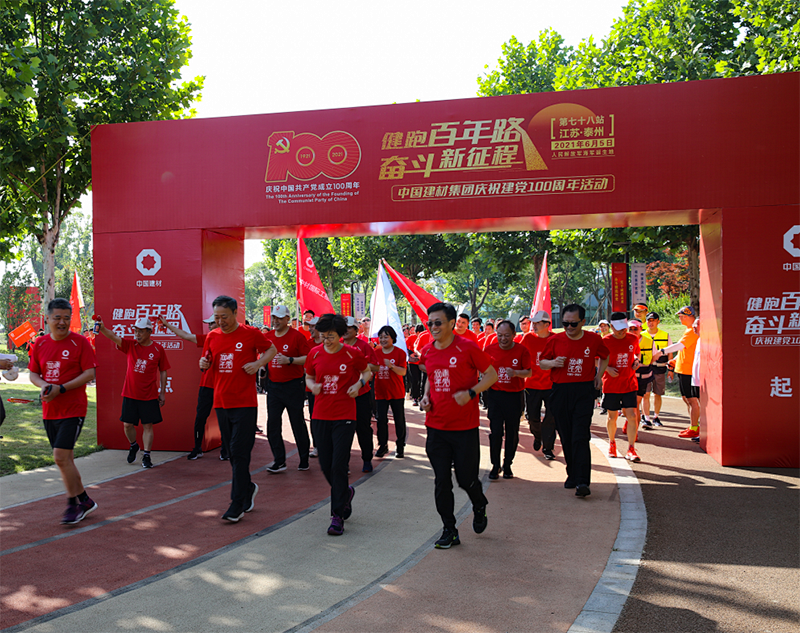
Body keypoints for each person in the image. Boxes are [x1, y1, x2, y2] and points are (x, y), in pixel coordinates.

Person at [419, 302, 498, 549]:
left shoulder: (468, 347)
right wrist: (425, 397)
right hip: (436, 426)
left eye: (438, 322)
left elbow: (491, 375)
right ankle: (449, 529)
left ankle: (479, 503)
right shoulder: (428, 350)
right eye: (430, 323)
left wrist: (472, 393)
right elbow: (431, 377)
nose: (433, 327)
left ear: (452, 323)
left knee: (466, 479)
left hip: (464, 428)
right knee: (442, 481)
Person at [200, 295, 276, 522]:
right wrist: (203, 364)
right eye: (216, 317)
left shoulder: (251, 333)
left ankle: (237, 503)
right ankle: (248, 487)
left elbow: (271, 350)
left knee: (239, 451)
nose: (220, 321)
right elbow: (206, 360)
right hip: (221, 402)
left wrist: (258, 364)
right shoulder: (212, 336)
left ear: (235, 313)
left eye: (224, 316)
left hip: (244, 403)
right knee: (232, 453)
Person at [28, 298, 97, 525]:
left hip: (73, 409)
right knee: (66, 459)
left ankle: (72, 505)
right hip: (50, 410)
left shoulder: (80, 342)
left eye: (66, 318)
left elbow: (89, 373)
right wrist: (44, 385)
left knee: (59, 457)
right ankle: (85, 500)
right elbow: (34, 374)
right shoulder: (40, 343)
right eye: (57, 318)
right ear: (47, 319)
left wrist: (62, 388)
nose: (62, 322)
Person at [305, 313, 372, 535]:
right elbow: (308, 376)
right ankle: (346, 492)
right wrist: (313, 386)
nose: (327, 340)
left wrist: (358, 385)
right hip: (320, 415)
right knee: (325, 465)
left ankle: (336, 516)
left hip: (345, 415)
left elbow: (366, 372)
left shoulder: (352, 353)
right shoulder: (315, 353)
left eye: (331, 336)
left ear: (340, 335)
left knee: (338, 465)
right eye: (323, 336)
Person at [540, 304, 609, 498]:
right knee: (566, 435)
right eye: (565, 324)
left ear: (583, 322)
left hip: (583, 391)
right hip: (560, 391)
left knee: (580, 435)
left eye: (573, 324)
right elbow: (542, 363)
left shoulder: (593, 339)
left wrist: (599, 376)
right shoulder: (555, 340)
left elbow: (605, 356)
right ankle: (572, 473)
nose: (569, 327)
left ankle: (582, 481)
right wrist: (553, 363)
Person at [96, 315, 170, 469]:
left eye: (141, 331)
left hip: (149, 395)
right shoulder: (130, 345)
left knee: (148, 426)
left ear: (149, 331)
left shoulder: (158, 349)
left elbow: (163, 371)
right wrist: (102, 328)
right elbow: (113, 336)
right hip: (130, 393)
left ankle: (147, 455)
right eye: (136, 331)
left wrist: (162, 392)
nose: (137, 334)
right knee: (127, 425)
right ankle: (133, 445)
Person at [157, 315, 228, 461]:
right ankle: (197, 448)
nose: (210, 326)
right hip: (206, 385)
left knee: (225, 418)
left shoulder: (229, 340)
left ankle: (226, 449)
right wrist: (167, 325)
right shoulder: (207, 338)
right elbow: (185, 335)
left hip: (223, 385)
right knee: (200, 417)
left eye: (212, 323)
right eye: (209, 324)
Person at [264, 305, 313, 473]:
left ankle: (304, 458)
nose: (275, 321)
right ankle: (279, 461)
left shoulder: (297, 336)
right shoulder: (268, 337)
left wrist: (290, 360)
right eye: (274, 317)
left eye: (279, 318)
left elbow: (308, 358)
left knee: (297, 423)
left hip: (293, 386)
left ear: (287, 319)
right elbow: (261, 353)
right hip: (273, 386)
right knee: (272, 424)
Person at [484, 320, 531, 479]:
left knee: (512, 432)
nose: (503, 339)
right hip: (495, 396)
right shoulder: (489, 350)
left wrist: (516, 373)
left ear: (514, 335)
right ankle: (495, 465)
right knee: (496, 432)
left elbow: (529, 372)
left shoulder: (522, 350)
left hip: (514, 396)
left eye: (506, 335)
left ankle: (508, 464)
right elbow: (483, 369)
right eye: (500, 335)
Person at [601, 313, 642, 463]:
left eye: (624, 328)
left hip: (629, 383)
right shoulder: (605, 341)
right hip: (611, 385)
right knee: (612, 416)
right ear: (612, 327)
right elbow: (596, 360)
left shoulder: (633, 338)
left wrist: (636, 361)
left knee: (632, 415)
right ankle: (612, 443)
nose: (622, 331)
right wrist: (607, 369)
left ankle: (631, 448)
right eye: (619, 329)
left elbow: (637, 353)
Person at [342, 316, 379, 472]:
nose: (346, 330)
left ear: (356, 330)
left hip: (361, 394)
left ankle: (367, 459)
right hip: (342, 395)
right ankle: (343, 463)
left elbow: (375, 367)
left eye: (349, 328)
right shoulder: (337, 345)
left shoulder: (363, 346)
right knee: (343, 430)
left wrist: (360, 365)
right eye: (344, 327)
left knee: (363, 428)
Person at [520, 310, 556, 460]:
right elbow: (519, 353)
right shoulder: (528, 338)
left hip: (551, 385)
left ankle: (548, 448)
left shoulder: (555, 339)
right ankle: (538, 435)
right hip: (532, 384)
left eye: (537, 323)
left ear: (547, 325)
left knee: (551, 418)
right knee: (532, 417)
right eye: (533, 323)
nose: (533, 326)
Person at [373, 325, 408, 458]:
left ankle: (400, 446)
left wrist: (391, 366)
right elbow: (371, 370)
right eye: (381, 337)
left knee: (399, 419)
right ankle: (383, 445)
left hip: (396, 391)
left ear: (393, 338)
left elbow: (403, 372)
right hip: (380, 391)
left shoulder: (400, 353)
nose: (383, 339)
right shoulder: (376, 353)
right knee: (381, 419)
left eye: (386, 337)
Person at [672, 306, 701, 439]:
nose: (680, 318)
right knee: (686, 399)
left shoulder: (692, 331)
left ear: (691, 316)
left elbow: (679, 346)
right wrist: (673, 361)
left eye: (683, 316)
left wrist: (661, 352)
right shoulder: (688, 330)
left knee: (692, 400)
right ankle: (693, 425)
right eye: (680, 316)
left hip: (689, 370)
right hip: (682, 369)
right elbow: (683, 349)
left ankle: (695, 427)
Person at [641, 311, 671, 427]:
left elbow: (670, 353)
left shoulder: (665, 335)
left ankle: (656, 417)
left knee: (658, 394)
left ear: (658, 321)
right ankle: (646, 418)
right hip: (646, 369)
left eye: (653, 320)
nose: (651, 323)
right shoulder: (642, 335)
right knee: (646, 394)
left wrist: (671, 369)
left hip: (660, 369)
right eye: (649, 320)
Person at [406, 324, 422, 406]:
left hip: (422, 362)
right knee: (414, 380)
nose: (418, 334)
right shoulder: (411, 338)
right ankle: (415, 397)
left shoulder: (424, 336)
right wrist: (411, 353)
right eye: (417, 332)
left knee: (421, 380)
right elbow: (404, 347)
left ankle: (421, 397)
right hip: (412, 362)